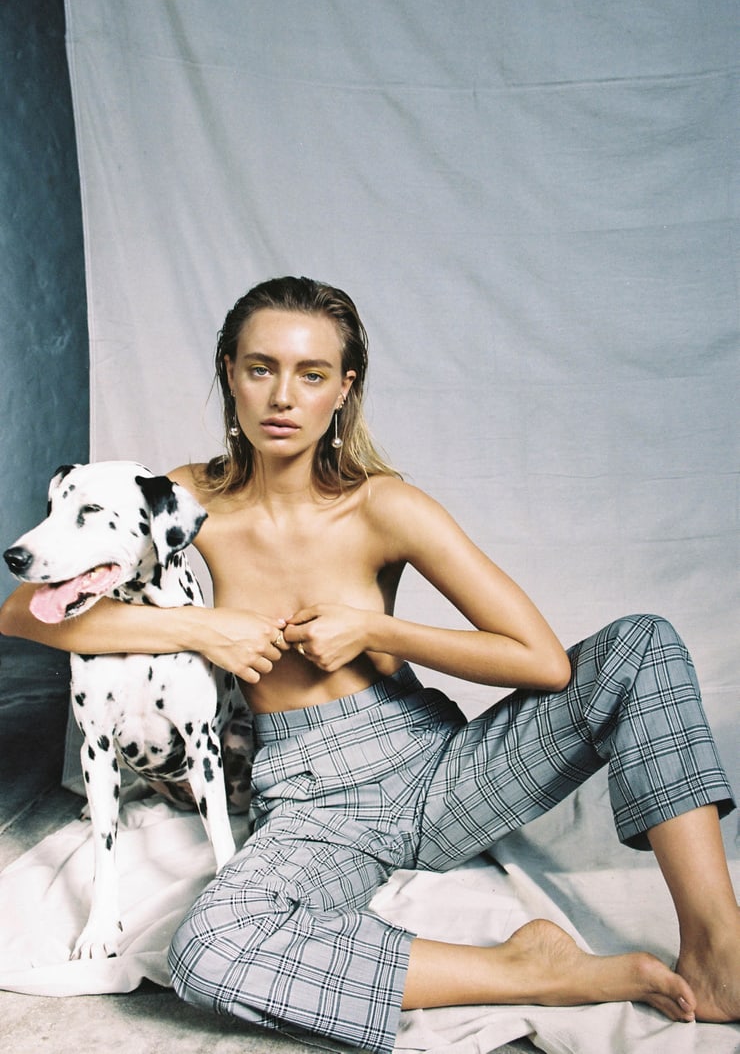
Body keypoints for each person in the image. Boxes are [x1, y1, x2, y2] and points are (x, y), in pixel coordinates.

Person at [1, 275, 738, 1054]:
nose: (283, 396)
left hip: (442, 771)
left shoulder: (383, 505)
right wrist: (207, 628)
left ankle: (716, 947)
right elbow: (21, 611)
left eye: (312, 373)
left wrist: (378, 630)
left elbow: (544, 662)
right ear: (229, 373)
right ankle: (527, 967)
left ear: (344, 388)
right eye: (261, 368)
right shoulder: (185, 498)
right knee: (209, 949)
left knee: (641, 644)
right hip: (312, 801)